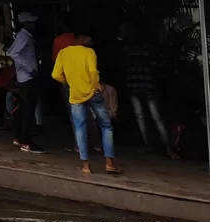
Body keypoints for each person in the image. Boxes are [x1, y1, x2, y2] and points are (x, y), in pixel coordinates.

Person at [52, 32, 120, 176]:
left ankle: (85, 166)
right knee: (106, 126)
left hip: (75, 95)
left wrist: (70, 82)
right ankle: (109, 164)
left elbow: (55, 74)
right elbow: (93, 72)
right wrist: (96, 86)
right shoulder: (89, 52)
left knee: (79, 128)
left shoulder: (63, 53)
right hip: (93, 92)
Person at [118, 23, 175, 157]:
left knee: (140, 117)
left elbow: (124, 66)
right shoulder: (149, 50)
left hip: (134, 86)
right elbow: (158, 67)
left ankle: (147, 145)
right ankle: (168, 148)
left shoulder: (129, 49)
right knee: (157, 117)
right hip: (148, 86)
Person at [7, 12, 44, 152]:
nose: (34, 25)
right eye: (32, 22)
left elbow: (11, 51)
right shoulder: (24, 36)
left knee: (22, 109)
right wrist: (29, 68)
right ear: (27, 23)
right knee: (28, 111)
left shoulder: (24, 36)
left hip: (25, 77)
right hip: (27, 78)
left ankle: (19, 137)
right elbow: (13, 53)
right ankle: (26, 142)